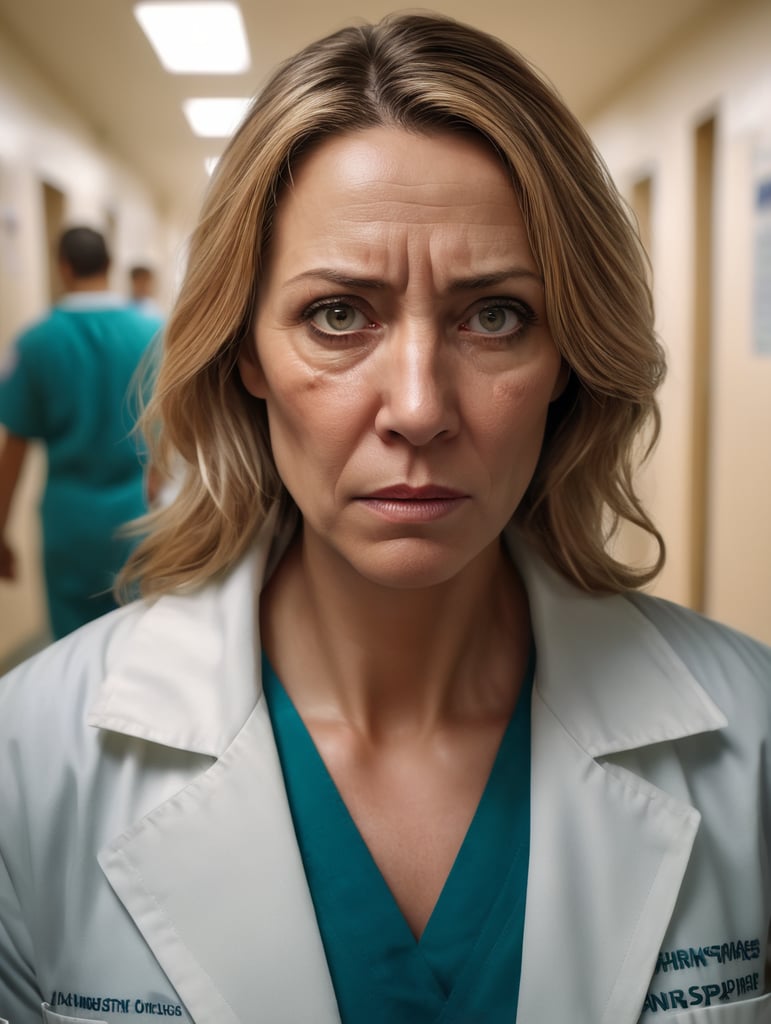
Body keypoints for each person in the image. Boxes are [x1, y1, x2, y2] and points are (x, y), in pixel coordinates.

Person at [0, 14, 769, 1023]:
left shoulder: (752, 739)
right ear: (245, 352)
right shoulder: (29, 759)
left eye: (494, 315)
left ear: (569, 361)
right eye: (338, 314)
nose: (416, 407)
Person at [0, 227, 162, 640]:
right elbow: (170, 432)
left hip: (68, 524)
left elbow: (14, 450)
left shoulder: (36, 343)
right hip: (137, 514)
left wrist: (0, 529)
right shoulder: (152, 334)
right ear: (110, 265)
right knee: (137, 640)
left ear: (64, 267)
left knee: (72, 651)